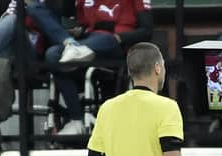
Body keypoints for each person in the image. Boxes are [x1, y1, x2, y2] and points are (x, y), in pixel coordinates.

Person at [27, 0, 154, 135]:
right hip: (87, 41)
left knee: (106, 39)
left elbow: (146, 31)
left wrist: (119, 37)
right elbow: (82, 25)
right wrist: (77, 31)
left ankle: (75, 49)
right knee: (52, 55)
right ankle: (76, 120)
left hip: (114, 45)